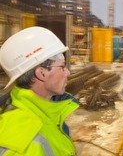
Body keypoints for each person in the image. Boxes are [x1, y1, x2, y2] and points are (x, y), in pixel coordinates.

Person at [0, 27, 79, 155]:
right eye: (62, 67)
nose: (67, 72)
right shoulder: (24, 144)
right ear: (42, 73)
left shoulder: (44, 113)